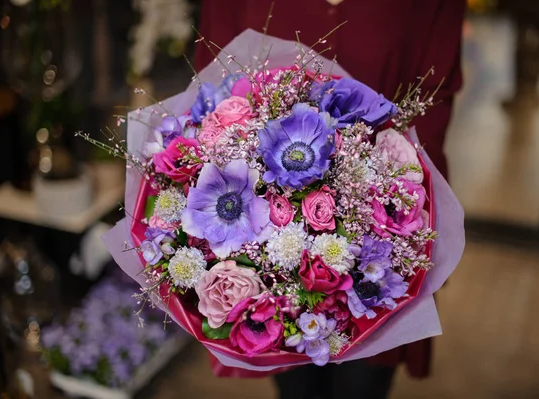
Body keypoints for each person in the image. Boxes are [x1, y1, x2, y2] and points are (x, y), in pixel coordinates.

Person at [193, 1, 465, 398]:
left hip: (384, 236)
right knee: (297, 386)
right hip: (271, 246)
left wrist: (398, 215)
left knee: (364, 383)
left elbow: (433, 103)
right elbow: (211, 90)